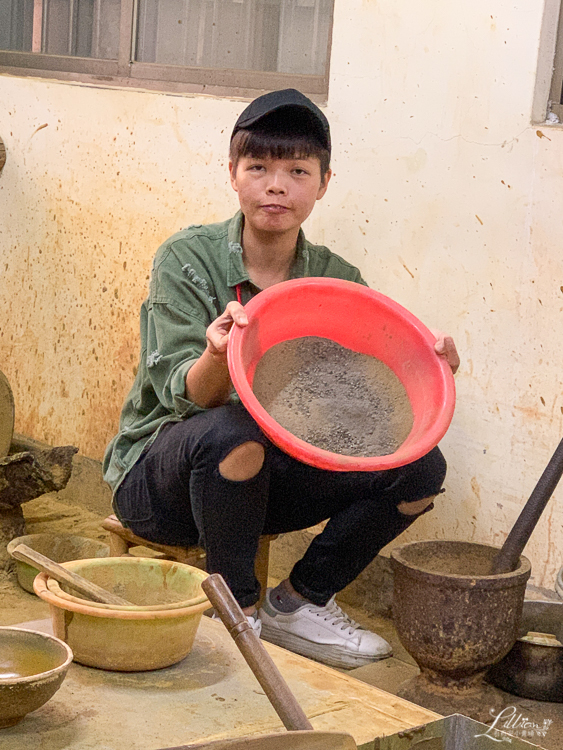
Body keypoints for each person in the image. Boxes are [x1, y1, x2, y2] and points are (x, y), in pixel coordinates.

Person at [103, 89, 460, 670]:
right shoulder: (187, 259)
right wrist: (219, 353)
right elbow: (195, 395)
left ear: (323, 183)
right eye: (259, 167)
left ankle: (299, 603)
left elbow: (366, 409)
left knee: (422, 469)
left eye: (298, 170)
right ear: (233, 175)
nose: (277, 185)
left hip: (262, 490)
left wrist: (430, 366)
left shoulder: (336, 280)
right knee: (233, 427)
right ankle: (239, 615)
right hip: (161, 484)